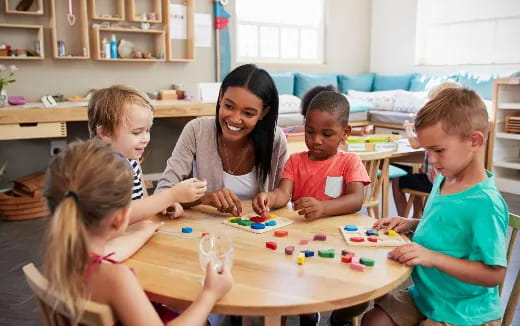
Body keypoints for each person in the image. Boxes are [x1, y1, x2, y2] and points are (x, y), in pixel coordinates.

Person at [42, 139, 232, 326]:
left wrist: (143, 233)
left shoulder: (60, 254)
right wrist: (209, 294)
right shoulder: (116, 278)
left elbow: (112, 251)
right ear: (120, 219)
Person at [362, 87, 509, 326]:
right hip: (428, 295)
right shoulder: (444, 178)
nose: (430, 160)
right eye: (427, 150)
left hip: (466, 311)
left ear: (475, 140)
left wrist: (431, 258)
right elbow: (450, 227)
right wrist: (411, 223)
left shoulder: (486, 203)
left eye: (438, 150)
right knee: (373, 320)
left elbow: (494, 273)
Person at [88, 85, 207, 260]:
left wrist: (161, 204)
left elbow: (142, 202)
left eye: (148, 130)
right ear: (105, 132)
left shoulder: (129, 159)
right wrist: (171, 195)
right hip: (103, 248)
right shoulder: (106, 166)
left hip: (126, 236)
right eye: (137, 132)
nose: (146, 138)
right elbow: (121, 214)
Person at [155, 64, 288, 216]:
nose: (235, 119)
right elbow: (162, 193)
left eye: (248, 113)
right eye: (229, 106)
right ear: (220, 97)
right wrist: (204, 198)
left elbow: (284, 193)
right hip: (207, 233)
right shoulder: (196, 130)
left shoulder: (275, 139)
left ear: (264, 113)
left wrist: (270, 198)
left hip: (258, 234)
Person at [253, 90, 370, 221]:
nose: (316, 140)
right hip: (304, 231)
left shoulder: (350, 161)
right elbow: (283, 193)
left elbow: (356, 199)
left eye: (326, 134)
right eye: (310, 131)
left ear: (345, 132)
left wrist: (323, 207)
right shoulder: (295, 161)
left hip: (338, 231)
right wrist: (270, 198)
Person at [392, 81, 462, 218]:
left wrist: (408, 128)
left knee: (398, 180)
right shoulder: (457, 124)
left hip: (436, 181)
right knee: (417, 173)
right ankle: (417, 213)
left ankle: (403, 217)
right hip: (451, 180)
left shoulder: (433, 124)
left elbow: (414, 144)